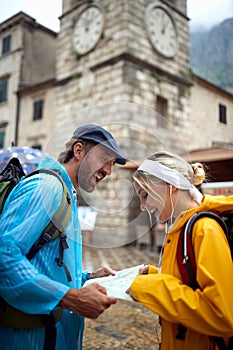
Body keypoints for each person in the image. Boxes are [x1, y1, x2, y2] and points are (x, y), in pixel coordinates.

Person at [0, 124, 126, 350]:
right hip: (31, 339)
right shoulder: (48, 187)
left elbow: (47, 263)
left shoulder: (67, 193)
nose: (108, 170)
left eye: (112, 164)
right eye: (105, 158)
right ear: (79, 151)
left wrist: (88, 278)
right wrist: (71, 298)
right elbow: (4, 256)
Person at [128, 151, 233, 350]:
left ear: (170, 186)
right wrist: (153, 274)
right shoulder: (181, 228)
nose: (143, 207)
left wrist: (149, 287)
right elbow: (188, 282)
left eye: (145, 194)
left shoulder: (204, 230)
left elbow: (222, 314)